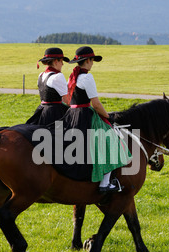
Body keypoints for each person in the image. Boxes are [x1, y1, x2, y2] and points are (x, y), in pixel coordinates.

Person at [65, 46, 131, 193]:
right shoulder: (87, 77)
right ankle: (105, 182)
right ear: (87, 60)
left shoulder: (73, 76)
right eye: (92, 60)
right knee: (111, 138)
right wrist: (108, 116)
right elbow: (96, 104)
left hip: (72, 114)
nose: (93, 63)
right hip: (85, 114)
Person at [26, 47, 70, 125]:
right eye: (61, 61)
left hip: (42, 110)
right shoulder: (58, 76)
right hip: (55, 113)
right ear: (56, 61)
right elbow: (66, 100)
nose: (62, 64)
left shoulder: (41, 75)